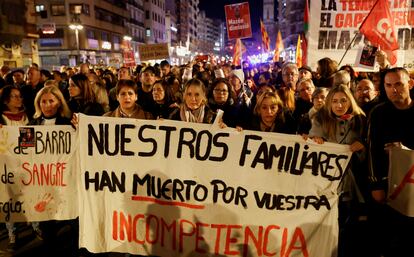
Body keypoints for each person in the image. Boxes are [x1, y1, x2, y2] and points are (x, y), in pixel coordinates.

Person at [308, 84, 367, 257]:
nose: (339, 105)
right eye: (334, 101)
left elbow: (368, 151)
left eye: (343, 101)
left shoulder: (360, 120)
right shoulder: (321, 118)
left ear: (350, 101)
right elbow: (311, 145)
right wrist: (314, 141)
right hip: (327, 182)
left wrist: (362, 146)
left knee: (349, 225)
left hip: (353, 182)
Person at [368, 67, 414, 257]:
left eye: (398, 84)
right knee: (390, 239)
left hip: (412, 185)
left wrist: (405, 150)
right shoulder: (378, 113)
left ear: (410, 84)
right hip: (388, 184)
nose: (393, 90)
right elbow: (371, 150)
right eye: (388, 85)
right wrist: (375, 184)